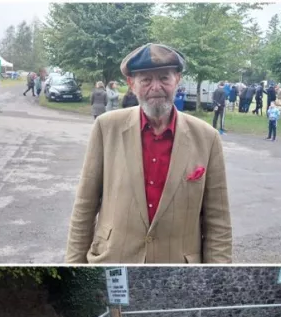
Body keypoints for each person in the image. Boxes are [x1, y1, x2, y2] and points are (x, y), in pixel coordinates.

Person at [65, 43, 232, 264]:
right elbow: (85, 206)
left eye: (164, 78)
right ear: (131, 84)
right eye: (146, 80)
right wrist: (73, 266)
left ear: (177, 80)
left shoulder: (207, 138)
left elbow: (218, 222)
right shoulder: (107, 128)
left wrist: (215, 279)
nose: (156, 87)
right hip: (113, 259)